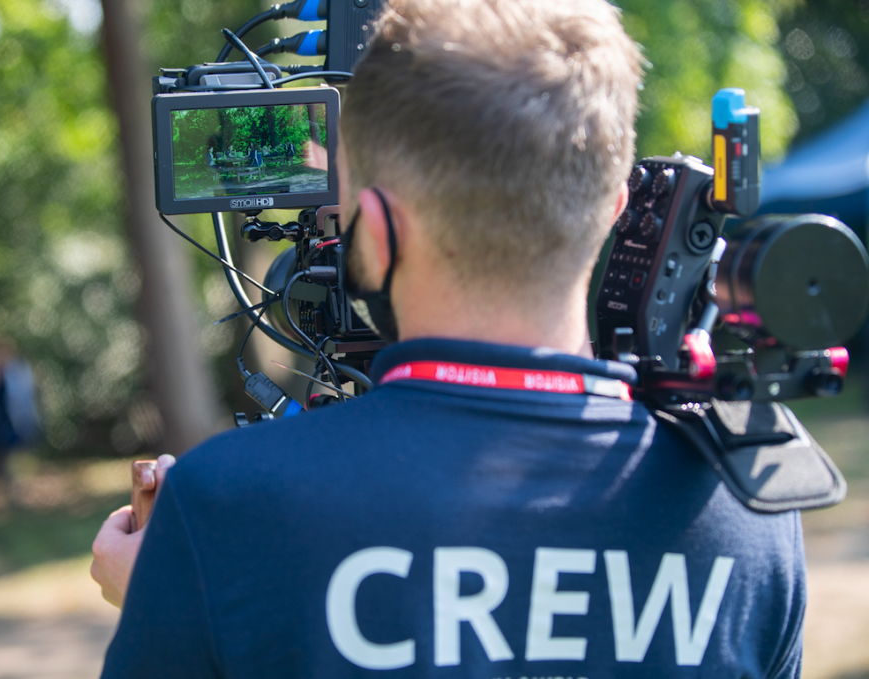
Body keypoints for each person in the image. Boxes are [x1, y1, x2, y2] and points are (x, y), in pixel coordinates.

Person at [93, 0, 805, 677]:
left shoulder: (224, 510)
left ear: (374, 228)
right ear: (613, 206)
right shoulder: (749, 510)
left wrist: (178, 601)